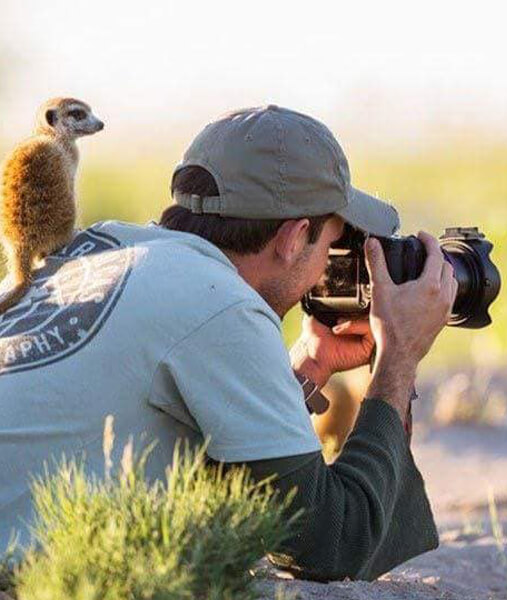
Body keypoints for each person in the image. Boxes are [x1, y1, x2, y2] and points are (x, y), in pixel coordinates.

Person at [0, 105, 457, 581]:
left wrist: (307, 367)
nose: (326, 266)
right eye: (331, 245)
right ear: (295, 236)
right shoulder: (223, 304)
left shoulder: (98, 248)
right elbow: (332, 543)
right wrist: (398, 360)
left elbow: (215, 467)